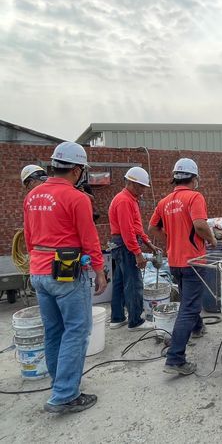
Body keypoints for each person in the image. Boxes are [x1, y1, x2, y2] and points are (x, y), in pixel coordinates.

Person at [23, 141, 107, 413]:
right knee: (76, 330)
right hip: (66, 273)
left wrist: (36, 263)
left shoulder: (32, 196)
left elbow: (28, 238)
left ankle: (59, 383)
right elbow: (89, 238)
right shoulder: (76, 198)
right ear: (77, 170)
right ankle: (65, 395)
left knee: (54, 330)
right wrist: (99, 270)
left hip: (38, 270)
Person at [149, 158, 217, 376]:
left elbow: (152, 227)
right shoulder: (195, 197)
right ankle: (175, 358)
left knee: (189, 299)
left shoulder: (165, 201)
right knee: (189, 307)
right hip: (193, 261)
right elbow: (199, 225)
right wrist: (213, 240)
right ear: (194, 178)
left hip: (175, 261)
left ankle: (197, 327)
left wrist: (170, 239)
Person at [108, 167, 161, 331]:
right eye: (141, 186)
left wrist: (149, 244)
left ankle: (117, 318)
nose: (144, 190)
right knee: (133, 283)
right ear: (131, 183)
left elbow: (137, 228)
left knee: (119, 282)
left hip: (120, 244)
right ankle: (135, 321)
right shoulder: (124, 201)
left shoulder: (130, 199)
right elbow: (128, 231)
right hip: (125, 245)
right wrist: (138, 253)